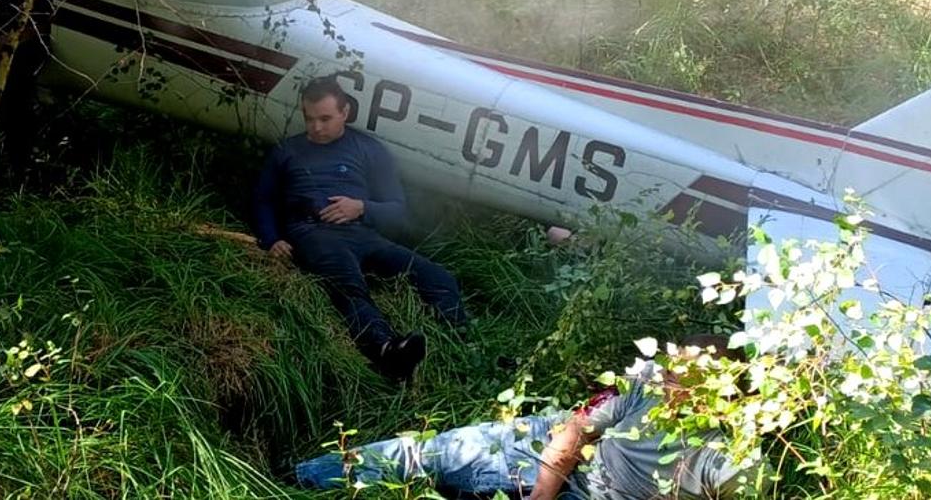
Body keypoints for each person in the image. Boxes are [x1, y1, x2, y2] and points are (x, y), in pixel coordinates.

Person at [294, 335, 758, 499]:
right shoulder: (650, 381)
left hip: (598, 496)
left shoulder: (726, 458)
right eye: (670, 372)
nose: (667, 385)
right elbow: (577, 428)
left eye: (682, 380)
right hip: (548, 445)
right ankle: (303, 478)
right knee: (438, 451)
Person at [254, 76, 469, 381]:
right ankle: (386, 350)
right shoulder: (287, 151)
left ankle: (460, 343)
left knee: (438, 277)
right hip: (313, 233)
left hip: (364, 234)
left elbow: (397, 209)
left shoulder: (367, 149)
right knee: (349, 285)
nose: (316, 128)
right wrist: (272, 239)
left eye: (325, 119)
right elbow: (263, 200)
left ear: (345, 113)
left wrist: (363, 207)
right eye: (309, 118)